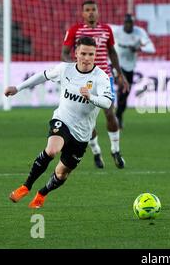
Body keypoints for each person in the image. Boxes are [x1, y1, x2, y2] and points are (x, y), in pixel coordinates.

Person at [6, 37, 113, 208]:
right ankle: (25, 186)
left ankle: (42, 193)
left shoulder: (101, 77)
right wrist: (17, 88)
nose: (86, 58)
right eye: (83, 53)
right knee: (52, 150)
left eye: (90, 54)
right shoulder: (65, 69)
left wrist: (91, 97)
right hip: (62, 120)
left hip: (82, 134)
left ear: (95, 55)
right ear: (76, 53)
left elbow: (107, 102)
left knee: (62, 173)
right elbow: (42, 76)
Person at [62, 0, 130, 169]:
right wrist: (73, 71)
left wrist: (120, 74)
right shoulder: (75, 30)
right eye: (87, 10)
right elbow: (65, 53)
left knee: (110, 113)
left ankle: (115, 150)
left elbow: (112, 52)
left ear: (98, 12)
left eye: (93, 9)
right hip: (84, 80)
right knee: (86, 119)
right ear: (82, 13)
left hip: (105, 78)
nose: (91, 13)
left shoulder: (106, 30)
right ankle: (96, 151)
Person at [111, 14, 156, 129]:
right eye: (127, 23)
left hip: (129, 67)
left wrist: (138, 49)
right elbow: (103, 27)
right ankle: (114, 115)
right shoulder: (116, 31)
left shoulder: (139, 32)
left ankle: (119, 115)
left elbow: (151, 48)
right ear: (124, 23)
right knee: (122, 86)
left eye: (130, 23)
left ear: (133, 24)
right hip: (116, 64)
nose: (128, 25)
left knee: (125, 94)